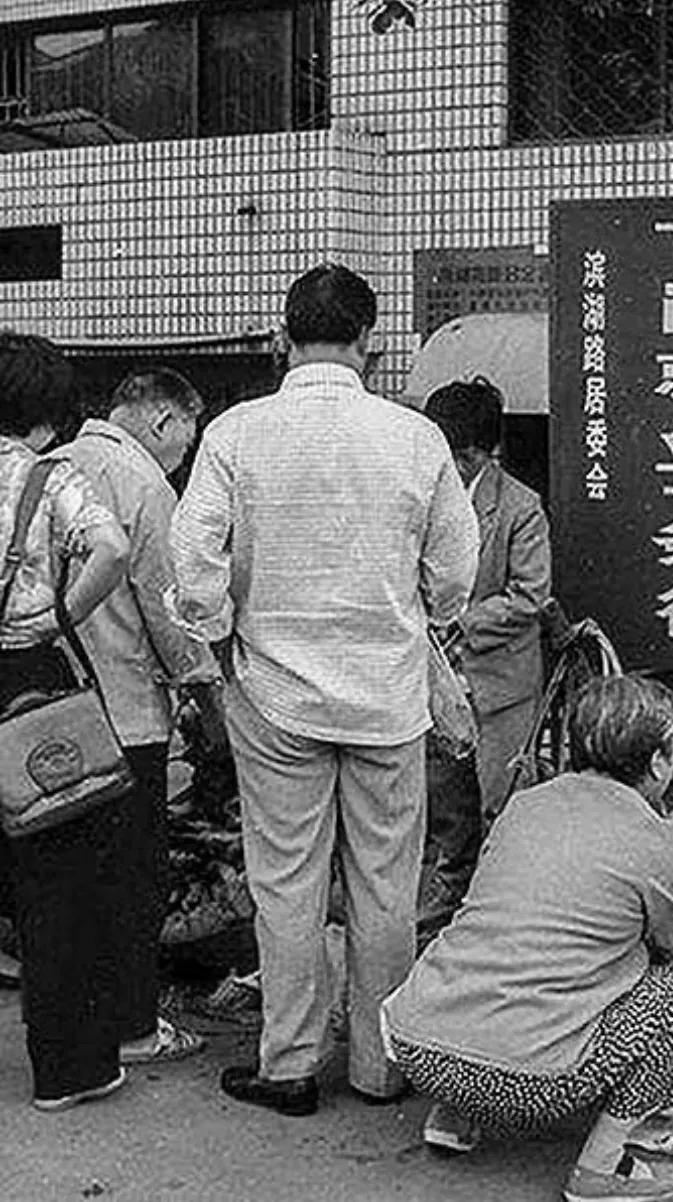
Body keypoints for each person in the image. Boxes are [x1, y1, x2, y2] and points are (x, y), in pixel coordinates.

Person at [170, 263, 479, 1115]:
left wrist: (221, 632)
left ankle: (289, 1063)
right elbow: (456, 568)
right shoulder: (416, 438)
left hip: (275, 694)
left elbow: (192, 562)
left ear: (282, 336)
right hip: (386, 693)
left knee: (286, 878)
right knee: (387, 882)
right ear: (369, 341)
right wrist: (424, 617)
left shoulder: (237, 432)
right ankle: (382, 1068)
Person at [382, 674, 673, 1202]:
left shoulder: (527, 804)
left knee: (502, 942)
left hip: (419, 1049)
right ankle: (600, 1168)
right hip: (529, 1082)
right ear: (658, 762)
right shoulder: (657, 842)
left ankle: (454, 1116)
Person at [62, 367, 223, 1066]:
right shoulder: (144, 485)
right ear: (164, 423)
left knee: (69, 873)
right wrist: (202, 686)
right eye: (185, 443)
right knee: (134, 876)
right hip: (127, 716)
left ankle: (73, 1016)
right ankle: (133, 1024)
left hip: (53, 712)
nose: (182, 458)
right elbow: (168, 609)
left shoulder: (51, 468)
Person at [0, 331, 131, 1109]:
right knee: (58, 883)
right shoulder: (51, 479)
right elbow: (110, 550)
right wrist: (58, 616)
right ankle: (70, 1070)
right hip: (29, 682)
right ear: (46, 414)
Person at [418, 376, 552, 940]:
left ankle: (500, 915)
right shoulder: (420, 497)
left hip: (498, 685)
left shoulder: (520, 507)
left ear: (473, 454)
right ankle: (449, 895)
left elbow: (531, 595)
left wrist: (459, 622)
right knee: (445, 801)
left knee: (502, 801)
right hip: (437, 677)